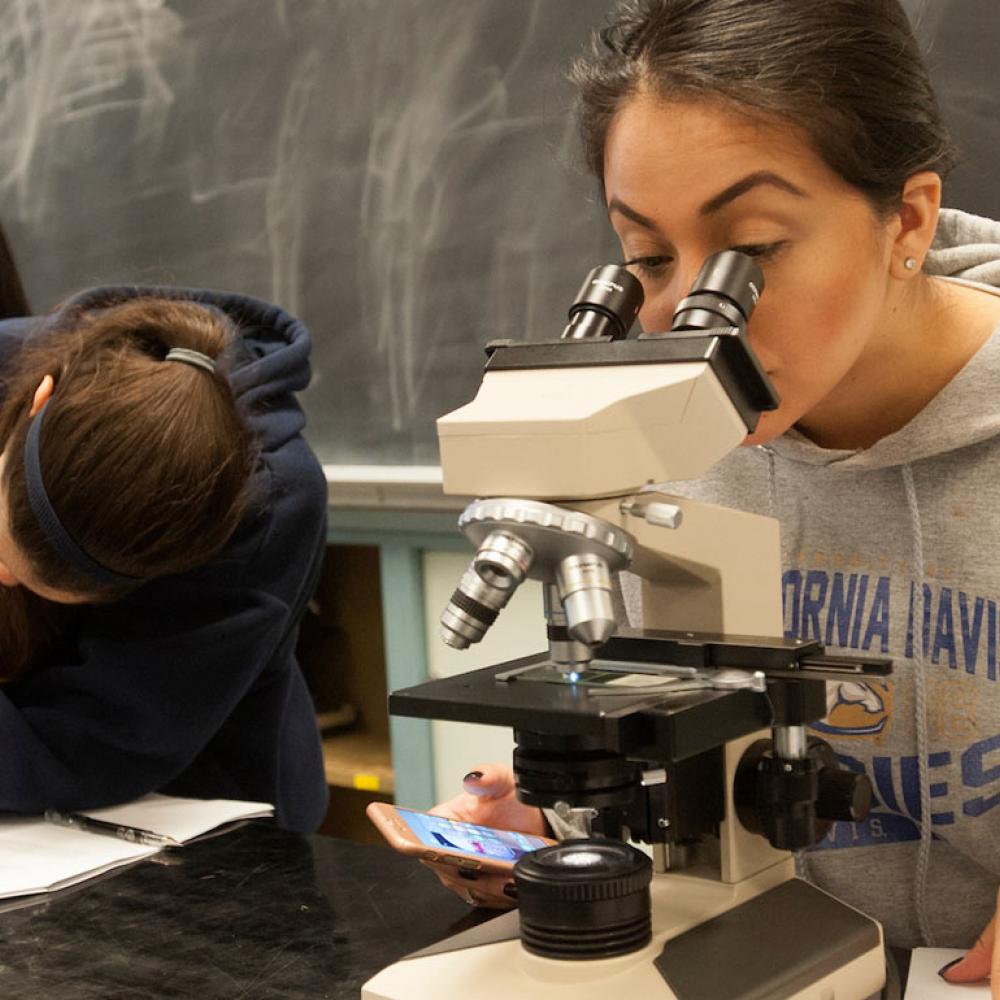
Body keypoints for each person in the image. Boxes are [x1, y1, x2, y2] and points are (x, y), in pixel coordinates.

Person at [430, 0, 1000, 990]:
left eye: (753, 251)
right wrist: (565, 815)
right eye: (648, 259)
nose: (693, 317)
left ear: (905, 217)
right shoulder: (652, 436)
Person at [0, 283, 329, 833]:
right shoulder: (12, 362)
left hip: (199, 822)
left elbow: (90, 745)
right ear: (39, 399)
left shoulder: (268, 508)